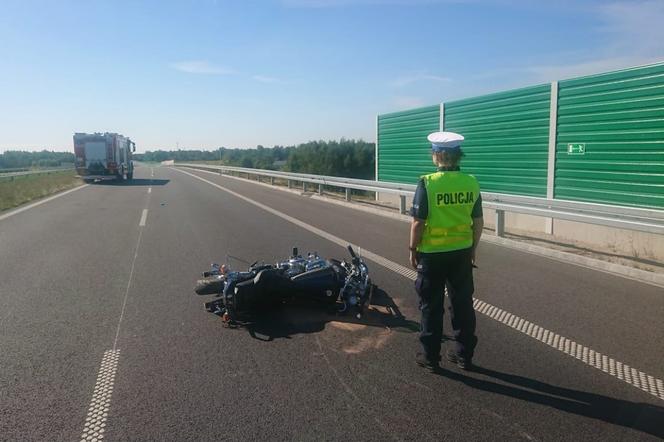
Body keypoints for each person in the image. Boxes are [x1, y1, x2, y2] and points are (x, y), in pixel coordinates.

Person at [409, 131, 484, 372]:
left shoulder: (427, 183)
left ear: (437, 155)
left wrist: (413, 248)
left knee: (431, 305)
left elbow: (418, 222)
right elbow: (478, 221)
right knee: (462, 304)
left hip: (432, 255)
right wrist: (472, 249)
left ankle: (430, 357)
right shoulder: (471, 182)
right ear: (457, 156)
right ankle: (464, 355)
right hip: (461, 253)